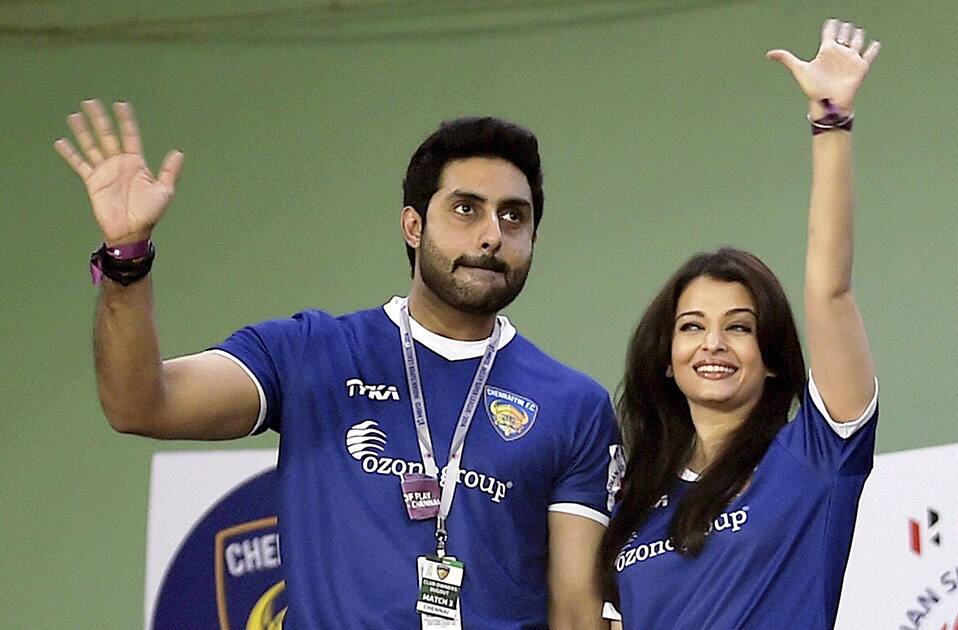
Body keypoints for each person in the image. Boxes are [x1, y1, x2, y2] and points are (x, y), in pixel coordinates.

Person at [55, 110, 619, 629]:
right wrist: (127, 255)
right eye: (466, 208)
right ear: (413, 225)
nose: (492, 233)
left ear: (533, 239)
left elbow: (575, 611)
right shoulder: (310, 351)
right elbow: (139, 403)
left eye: (513, 216)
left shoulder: (575, 405)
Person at [599, 19, 881, 629]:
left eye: (741, 327)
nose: (714, 345)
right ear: (666, 357)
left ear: (771, 352)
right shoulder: (630, 503)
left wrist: (830, 123)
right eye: (692, 327)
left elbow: (830, 291)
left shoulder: (812, 457)